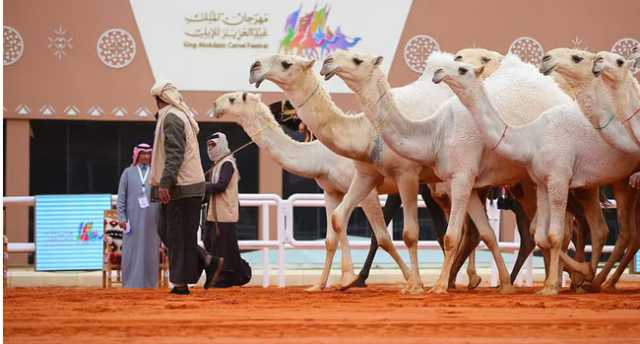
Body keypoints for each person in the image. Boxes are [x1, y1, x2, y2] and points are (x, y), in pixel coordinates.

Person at [149, 81, 223, 295]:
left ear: (159, 99)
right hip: (185, 187)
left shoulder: (171, 117)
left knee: (176, 235)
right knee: (170, 233)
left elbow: (174, 154)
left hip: (181, 187)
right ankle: (207, 261)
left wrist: (165, 183)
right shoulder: (176, 115)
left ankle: (181, 283)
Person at [202, 132, 251, 288]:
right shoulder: (217, 164)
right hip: (213, 214)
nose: (210, 148)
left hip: (224, 215)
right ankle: (234, 276)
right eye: (209, 145)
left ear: (221, 144)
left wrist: (201, 186)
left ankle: (225, 278)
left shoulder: (227, 163)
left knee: (224, 248)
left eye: (213, 145)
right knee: (212, 244)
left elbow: (221, 185)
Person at [116, 143, 161, 288]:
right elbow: (121, 197)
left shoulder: (156, 173)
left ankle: (150, 283)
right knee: (132, 251)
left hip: (152, 220)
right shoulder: (127, 173)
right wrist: (122, 218)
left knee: (151, 251)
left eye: (149, 154)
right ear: (137, 155)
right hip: (132, 221)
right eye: (143, 154)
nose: (146, 156)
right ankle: (130, 283)